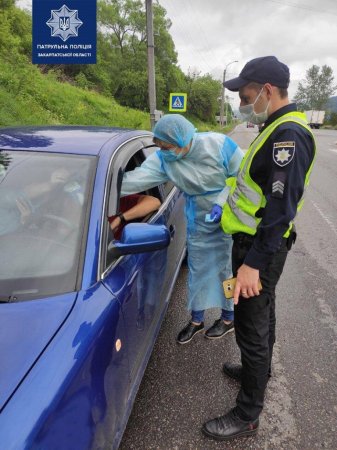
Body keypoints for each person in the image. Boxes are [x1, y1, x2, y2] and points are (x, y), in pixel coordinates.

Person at [202, 56, 316, 440]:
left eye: (246, 94)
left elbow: (280, 211)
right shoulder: (274, 127)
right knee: (262, 314)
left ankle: (248, 414)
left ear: (267, 90)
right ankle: (259, 372)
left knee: (250, 328)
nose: (241, 103)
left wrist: (251, 264)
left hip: (258, 252)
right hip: (253, 247)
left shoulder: (288, 135)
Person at [120, 114, 244, 344]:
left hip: (227, 217)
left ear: (184, 139)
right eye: (159, 146)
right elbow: (136, 180)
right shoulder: (165, 159)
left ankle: (229, 318)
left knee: (227, 271)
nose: (163, 151)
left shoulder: (219, 145)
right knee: (197, 271)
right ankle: (196, 320)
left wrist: (221, 201)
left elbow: (243, 176)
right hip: (198, 219)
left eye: (167, 147)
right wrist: (92, 189)